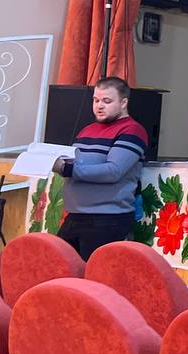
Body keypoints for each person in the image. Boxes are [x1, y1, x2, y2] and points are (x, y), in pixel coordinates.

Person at [54, 77, 149, 261]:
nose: (99, 106)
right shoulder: (87, 130)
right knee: (60, 270)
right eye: (96, 100)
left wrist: (67, 169)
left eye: (107, 101)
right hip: (75, 216)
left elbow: (113, 171)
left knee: (94, 275)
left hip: (107, 219)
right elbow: (76, 163)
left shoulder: (132, 130)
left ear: (123, 103)